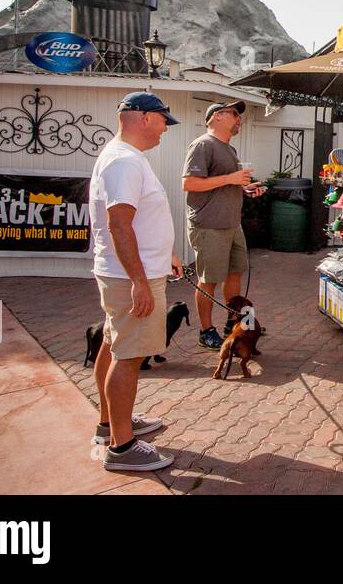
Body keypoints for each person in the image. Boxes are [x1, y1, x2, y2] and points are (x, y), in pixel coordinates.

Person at [90, 92, 183, 472]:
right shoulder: (125, 161)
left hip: (129, 271)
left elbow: (138, 219)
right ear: (144, 118)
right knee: (129, 356)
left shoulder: (124, 158)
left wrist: (167, 254)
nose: (165, 129)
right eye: (163, 120)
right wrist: (140, 281)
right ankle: (122, 447)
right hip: (130, 276)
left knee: (114, 345)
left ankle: (111, 424)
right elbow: (119, 224)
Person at [182, 100, 266, 349]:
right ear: (216, 117)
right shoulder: (203, 145)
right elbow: (189, 183)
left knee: (234, 274)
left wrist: (246, 189)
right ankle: (206, 331)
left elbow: (225, 185)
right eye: (233, 114)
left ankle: (234, 324)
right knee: (209, 279)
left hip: (231, 224)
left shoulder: (230, 150)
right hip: (209, 225)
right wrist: (231, 178)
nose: (239, 118)